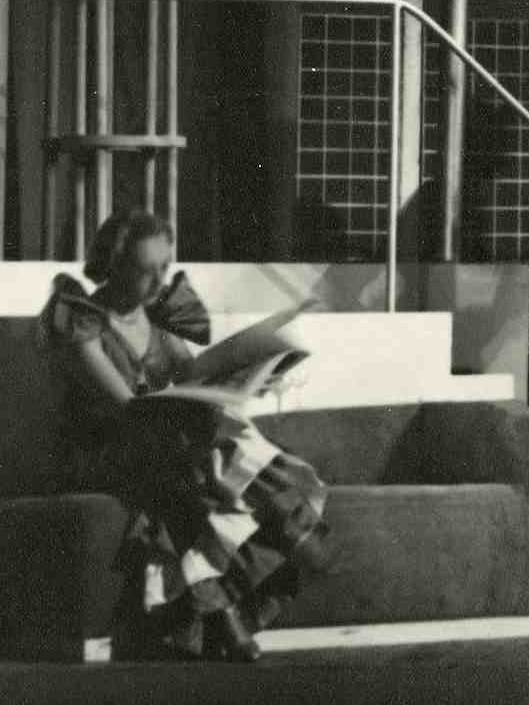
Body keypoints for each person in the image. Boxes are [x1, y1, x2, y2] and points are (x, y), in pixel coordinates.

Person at [41, 211, 332, 662]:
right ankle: (221, 611)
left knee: (228, 445)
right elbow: (128, 409)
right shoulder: (83, 321)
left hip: (156, 441)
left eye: (165, 266)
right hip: (104, 448)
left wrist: (250, 374)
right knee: (185, 465)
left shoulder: (158, 316)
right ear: (114, 267)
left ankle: (243, 591)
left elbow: (193, 374)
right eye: (146, 270)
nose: (160, 281)